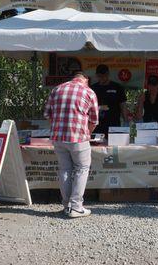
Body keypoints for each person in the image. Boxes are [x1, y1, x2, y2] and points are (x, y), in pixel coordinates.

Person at [44, 72, 99, 218]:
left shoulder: (56, 90)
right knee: (82, 169)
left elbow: (47, 115)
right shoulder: (89, 92)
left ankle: (66, 205)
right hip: (79, 137)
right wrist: (88, 133)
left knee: (65, 170)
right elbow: (94, 119)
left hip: (58, 137)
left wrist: (58, 128)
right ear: (85, 79)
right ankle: (76, 207)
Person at [90, 64, 129, 136]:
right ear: (96, 75)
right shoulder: (93, 88)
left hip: (113, 123)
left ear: (108, 74)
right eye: (99, 76)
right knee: (97, 145)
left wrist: (126, 122)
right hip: (97, 124)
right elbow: (89, 107)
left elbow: (123, 105)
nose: (102, 78)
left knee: (114, 145)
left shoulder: (117, 87)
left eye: (104, 75)